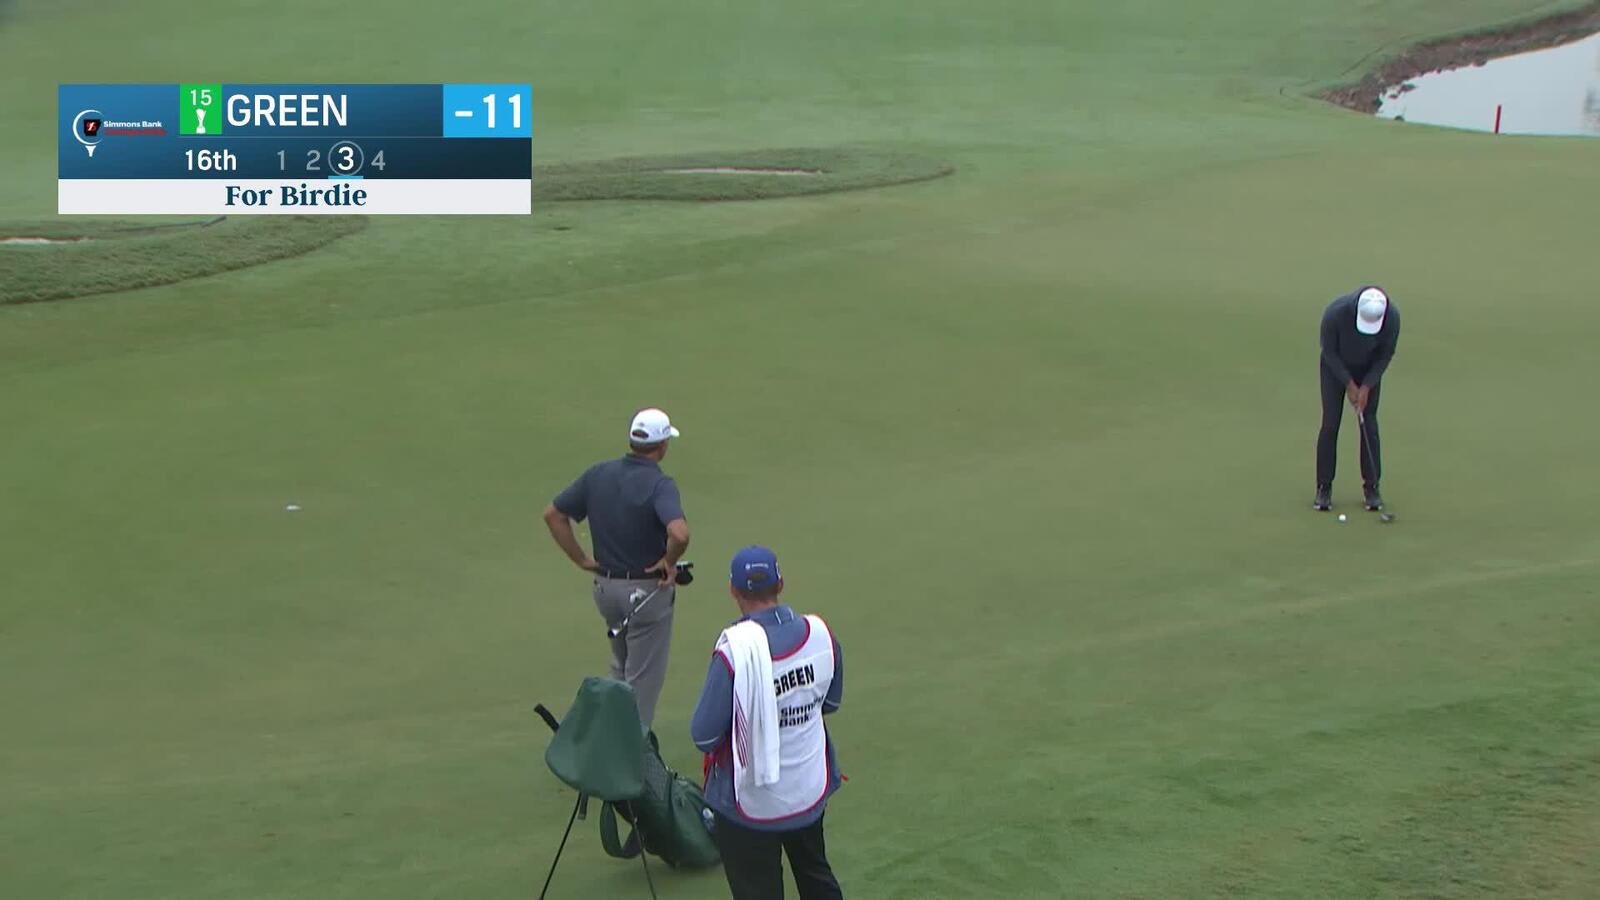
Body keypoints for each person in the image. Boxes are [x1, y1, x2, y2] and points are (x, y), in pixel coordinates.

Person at [691, 546, 845, 900]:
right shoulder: (821, 633)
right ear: (781, 584)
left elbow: (704, 734)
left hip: (750, 805)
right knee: (815, 875)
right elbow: (831, 703)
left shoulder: (733, 650)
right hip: (807, 789)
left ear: (733, 590)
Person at [543, 408, 690, 728]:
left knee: (620, 671)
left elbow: (554, 514)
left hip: (606, 590)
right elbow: (679, 533)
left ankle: (608, 748)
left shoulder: (598, 474)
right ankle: (627, 763)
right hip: (646, 596)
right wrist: (669, 561)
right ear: (662, 445)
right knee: (641, 683)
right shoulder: (659, 484)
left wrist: (581, 559)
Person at [1315, 286, 1400, 512]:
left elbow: (1386, 354)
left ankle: (1372, 488)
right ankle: (1324, 488)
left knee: (1369, 424)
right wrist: (1349, 384)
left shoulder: (1391, 318)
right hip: (1334, 368)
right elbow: (1328, 351)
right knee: (1330, 423)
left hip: (1368, 370)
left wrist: (1367, 385)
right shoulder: (1336, 313)